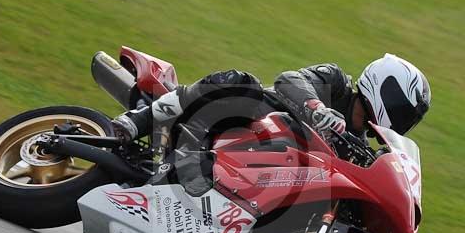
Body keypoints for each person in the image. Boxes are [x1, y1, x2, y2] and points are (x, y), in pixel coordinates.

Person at [111, 53, 431, 143]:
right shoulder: (334, 82)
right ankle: (140, 120)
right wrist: (317, 109)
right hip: (244, 119)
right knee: (241, 82)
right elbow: (291, 80)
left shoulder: (359, 145)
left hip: (265, 165)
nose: (404, 121)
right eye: (405, 111)